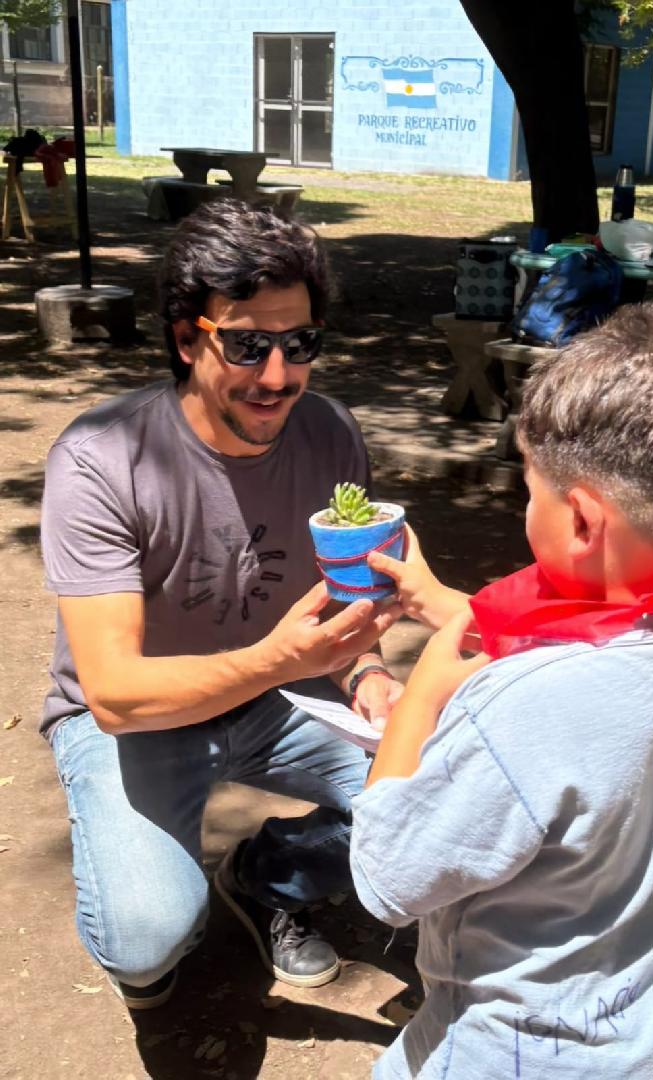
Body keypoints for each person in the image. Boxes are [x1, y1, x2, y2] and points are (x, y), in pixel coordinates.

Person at [348, 303, 653, 1079]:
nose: (523, 506)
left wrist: (421, 694)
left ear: (581, 518)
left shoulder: (519, 709)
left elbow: (385, 874)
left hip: (515, 1050)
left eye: (529, 490)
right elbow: (591, 651)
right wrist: (443, 603)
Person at [40, 199, 402, 1009]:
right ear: (185, 338)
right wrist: (282, 660)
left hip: (285, 697)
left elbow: (351, 606)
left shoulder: (332, 435)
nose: (278, 377)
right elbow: (114, 693)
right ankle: (158, 927)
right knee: (145, 939)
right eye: (247, 345)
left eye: (299, 343)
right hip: (138, 720)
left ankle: (273, 874)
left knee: (450, 791)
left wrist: (368, 674)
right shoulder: (102, 458)